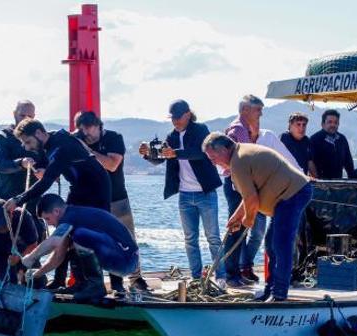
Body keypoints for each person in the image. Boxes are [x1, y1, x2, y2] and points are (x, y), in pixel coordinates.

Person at [202, 132, 312, 302]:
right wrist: (236, 217)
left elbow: (251, 200)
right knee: (271, 245)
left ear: (224, 149)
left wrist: (247, 221)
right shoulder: (240, 156)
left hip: (292, 194)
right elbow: (249, 195)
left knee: (280, 246)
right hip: (285, 198)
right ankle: (271, 289)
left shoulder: (238, 162)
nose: (212, 162)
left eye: (213, 157)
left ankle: (279, 293)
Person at [5, 118, 112, 291]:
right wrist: (40, 166)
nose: (27, 147)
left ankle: (94, 285)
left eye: (28, 141)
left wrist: (18, 199)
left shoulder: (61, 146)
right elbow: (52, 166)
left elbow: (47, 182)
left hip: (95, 192)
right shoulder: (52, 142)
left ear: (39, 133)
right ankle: (64, 281)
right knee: (64, 233)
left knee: (80, 235)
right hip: (79, 189)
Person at [139, 99, 224, 281]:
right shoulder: (171, 136)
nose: (175, 121)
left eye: (178, 117)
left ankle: (221, 277)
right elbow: (162, 158)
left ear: (187, 114)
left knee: (213, 238)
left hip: (206, 193)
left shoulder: (201, 129)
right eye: (172, 118)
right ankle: (196, 278)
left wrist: (176, 153)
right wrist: (147, 154)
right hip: (185, 195)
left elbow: (202, 152)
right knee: (190, 240)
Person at [222, 95, 298, 287]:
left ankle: (240, 269)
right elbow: (240, 159)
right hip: (238, 185)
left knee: (252, 230)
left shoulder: (249, 131)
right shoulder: (238, 130)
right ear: (245, 110)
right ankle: (232, 274)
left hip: (249, 185)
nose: (261, 113)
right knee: (238, 229)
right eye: (258, 110)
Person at [74, 111, 149, 294]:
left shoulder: (114, 138)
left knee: (126, 238)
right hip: (91, 200)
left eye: (89, 129)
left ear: (99, 125)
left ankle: (135, 278)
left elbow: (112, 164)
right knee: (95, 241)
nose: (86, 134)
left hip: (117, 198)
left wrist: (87, 150)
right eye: (82, 131)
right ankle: (104, 282)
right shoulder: (76, 140)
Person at [13, 194, 139, 303]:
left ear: (57, 211)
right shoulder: (71, 221)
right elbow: (58, 257)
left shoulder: (70, 217)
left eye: (48, 219)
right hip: (119, 257)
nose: (49, 224)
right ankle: (81, 284)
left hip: (127, 260)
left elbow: (53, 242)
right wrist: (35, 274)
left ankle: (95, 287)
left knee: (80, 235)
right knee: (74, 238)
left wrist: (29, 258)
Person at [0, 199, 40, 302]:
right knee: (0, 282)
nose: (1, 229)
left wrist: (20, 258)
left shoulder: (22, 217)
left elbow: (33, 245)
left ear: (11, 214)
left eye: (3, 225)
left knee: (37, 282)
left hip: (22, 251)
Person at [0, 100, 41, 212]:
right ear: (14, 114)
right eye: (22, 115)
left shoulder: (39, 137)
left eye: (30, 116)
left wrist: (46, 171)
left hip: (31, 201)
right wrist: (21, 163)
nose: (25, 119)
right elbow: (1, 165)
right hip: (7, 199)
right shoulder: (3, 137)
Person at [309, 109, 355, 179]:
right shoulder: (314, 139)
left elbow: (348, 163)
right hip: (319, 185)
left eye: (336, 122)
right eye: (329, 122)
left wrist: (352, 178)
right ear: (323, 124)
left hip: (338, 183)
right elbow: (309, 162)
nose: (333, 125)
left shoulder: (342, 139)